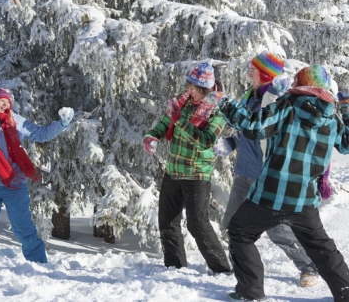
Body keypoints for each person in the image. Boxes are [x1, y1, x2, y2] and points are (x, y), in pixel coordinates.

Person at [214, 64, 349, 301]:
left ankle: (251, 293)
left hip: (270, 196)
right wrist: (346, 108)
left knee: (239, 232)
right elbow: (346, 144)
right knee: (322, 248)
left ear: (300, 84)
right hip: (304, 201)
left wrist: (224, 102)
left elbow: (253, 126)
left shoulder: (288, 105)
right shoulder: (331, 116)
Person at [213, 51, 319, 287]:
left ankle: (309, 267)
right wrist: (232, 142)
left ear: (265, 74)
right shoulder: (250, 96)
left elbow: (271, 134)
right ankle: (241, 270)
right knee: (232, 224)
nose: (249, 72)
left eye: (254, 69)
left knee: (278, 231)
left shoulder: (277, 100)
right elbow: (248, 130)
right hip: (244, 173)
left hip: (267, 176)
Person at [0, 87, 74, 263]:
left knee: (23, 227)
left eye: (8, 102)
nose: (5, 104)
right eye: (1, 101)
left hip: (14, 183)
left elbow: (40, 134)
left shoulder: (16, 121)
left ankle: (38, 262)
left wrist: (61, 124)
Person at [143, 62, 231, 274]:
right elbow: (165, 123)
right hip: (173, 170)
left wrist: (179, 120)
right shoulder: (184, 101)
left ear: (206, 89)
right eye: (188, 85)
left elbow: (206, 140)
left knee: (197, 223)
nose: (189, 90)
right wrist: (152, 135)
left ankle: (221, 269)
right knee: (167, 221)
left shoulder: (217, 110)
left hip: (197, 174)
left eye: (194, 87)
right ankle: (175, 267)